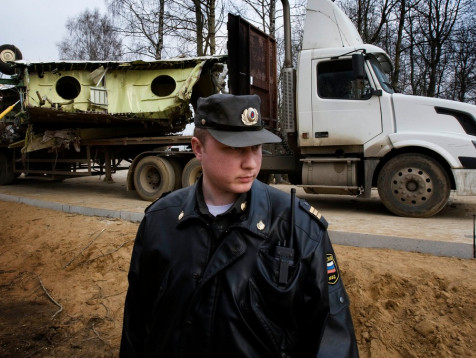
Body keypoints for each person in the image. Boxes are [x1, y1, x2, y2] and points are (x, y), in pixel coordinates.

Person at [120, 94, 358, 358]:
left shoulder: (298, 228)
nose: (252, 163)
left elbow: (331, 338)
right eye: (234, 149)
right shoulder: (160, 221)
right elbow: (137, 324)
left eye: (256, 147)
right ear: (198, 148)